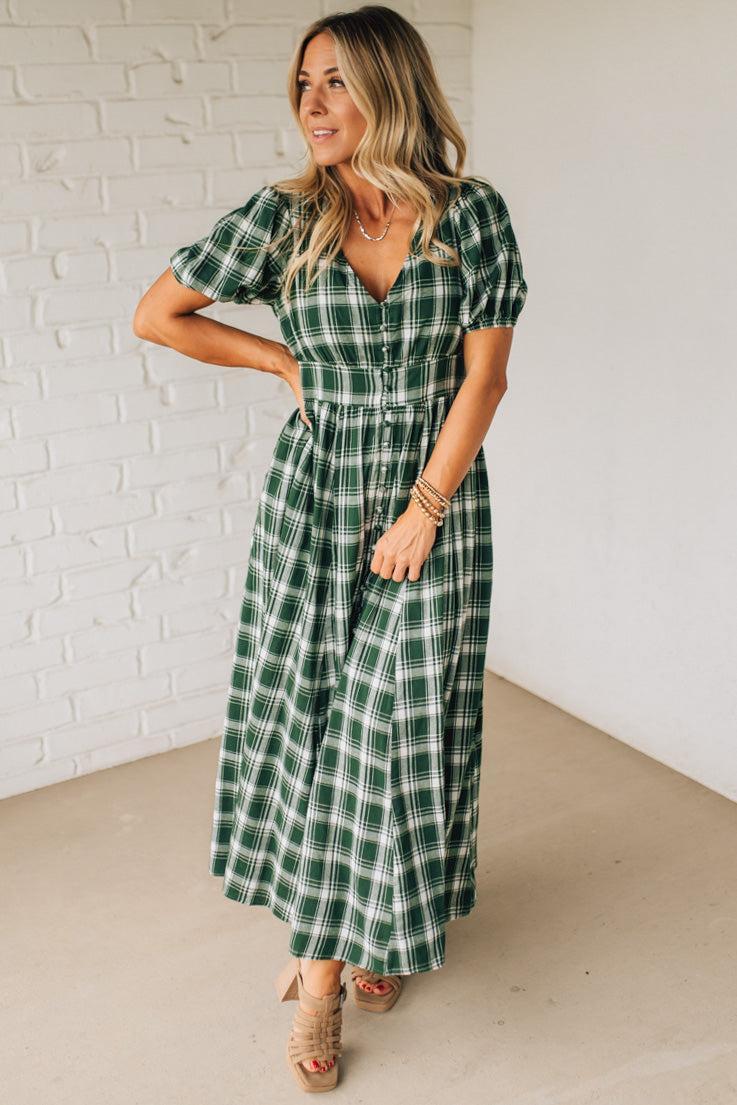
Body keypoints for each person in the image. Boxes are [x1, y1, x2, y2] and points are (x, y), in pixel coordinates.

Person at [133, 4, 528, 1093]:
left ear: (390, 88)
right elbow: (159, 314)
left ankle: (360, 939)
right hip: (312, 502)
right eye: (303, 82)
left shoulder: (469, 218)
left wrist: (425, 507)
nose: (311, 103)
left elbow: (483, 379)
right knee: (315, 726)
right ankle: (324, 962)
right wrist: (280, 365)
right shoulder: (286, 217)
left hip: (430, 508)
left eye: (338, 82)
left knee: (393, 724)